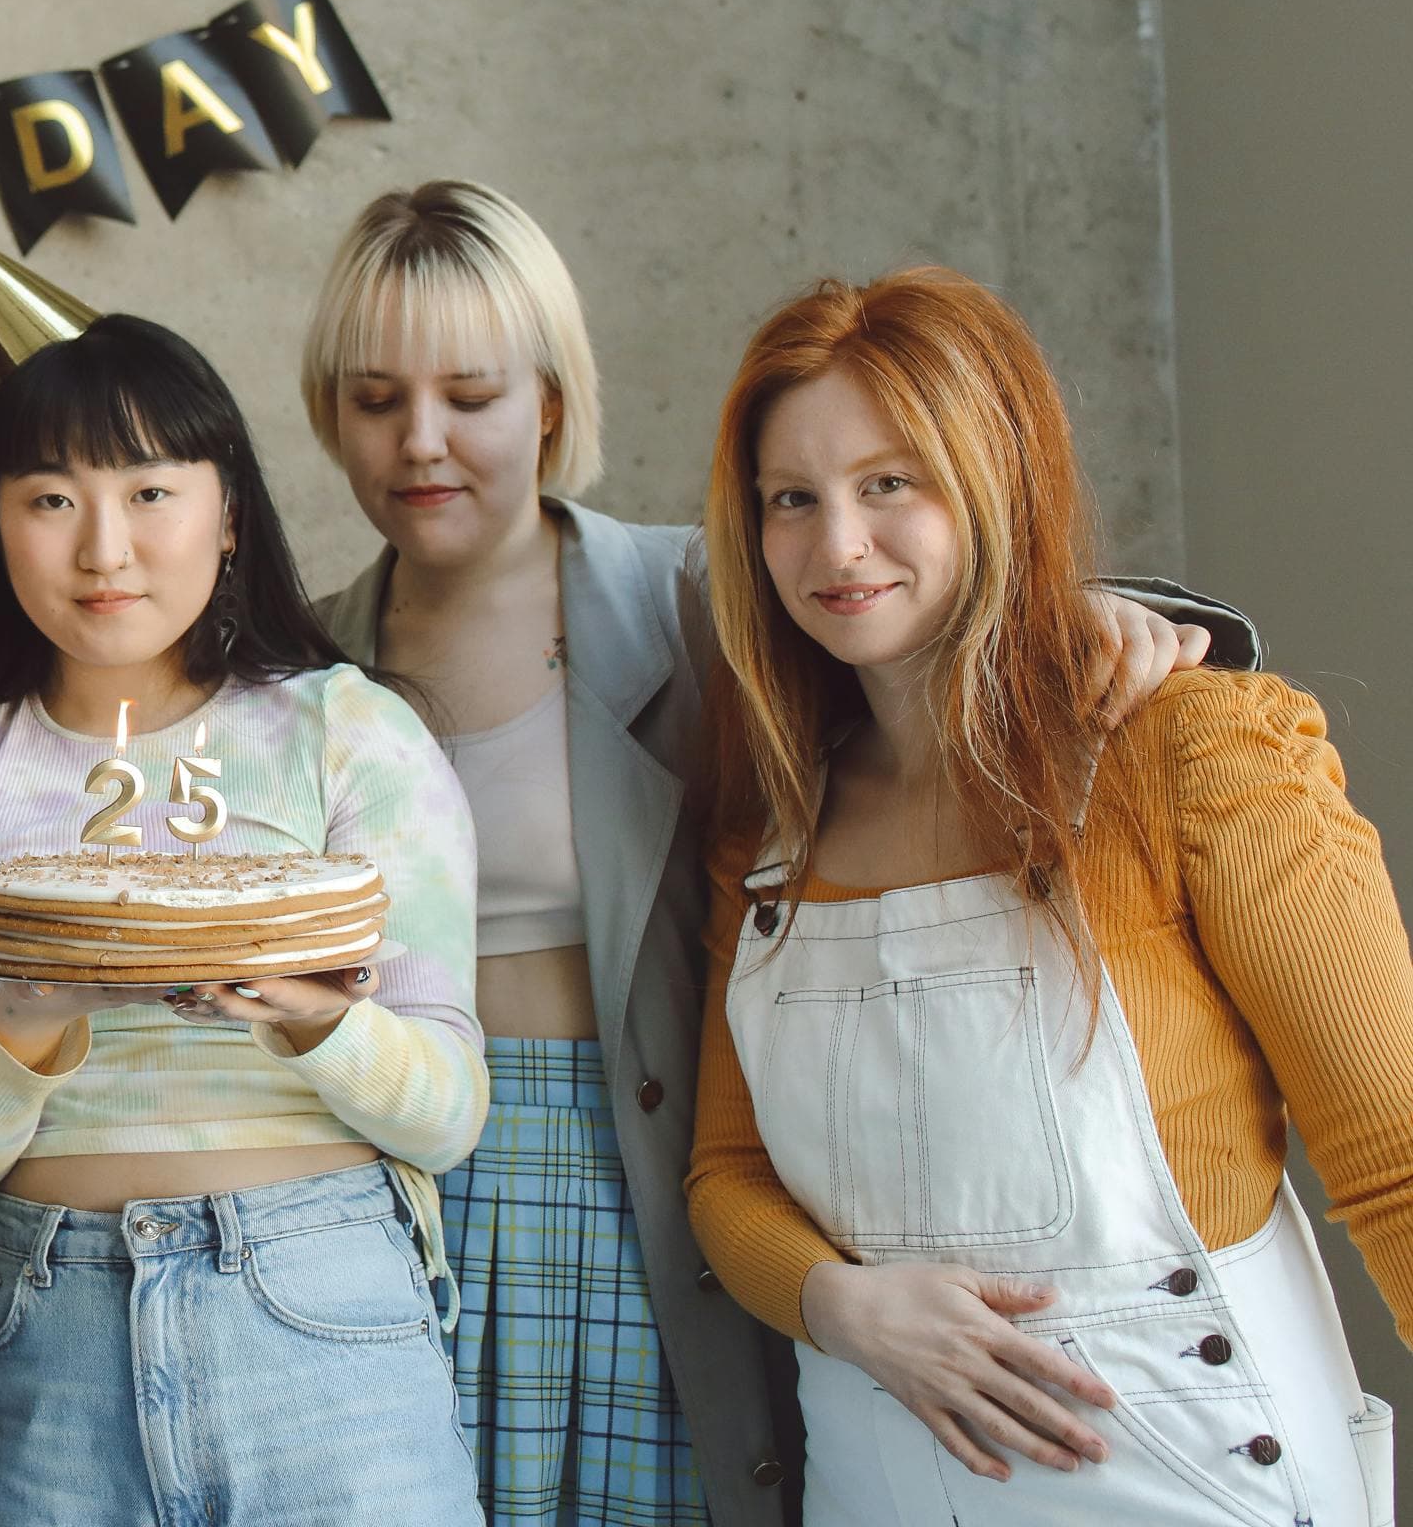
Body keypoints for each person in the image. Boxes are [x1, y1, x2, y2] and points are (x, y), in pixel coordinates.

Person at [299, 182, 1248, 1523]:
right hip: (380, 1194)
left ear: (552, 402)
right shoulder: (296, 665)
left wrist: (1103, 614)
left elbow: (913, 610)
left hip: (641, 1171)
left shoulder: (697, 599)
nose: (422, 441)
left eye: (472, 393)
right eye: (374, 398)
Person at [686, 267, 1410, 1519]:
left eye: (889, 483)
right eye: (790, 499)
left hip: (1189, 1476)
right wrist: (836, 1300)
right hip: (884, 1484)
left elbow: (1395, 1156)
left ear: (994, 476)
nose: (836, 544)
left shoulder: (1186, 751)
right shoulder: (767, 827)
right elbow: (727, 1168)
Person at [0, 305, 490, 1527]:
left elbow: (449, 1107)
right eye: (50, 498)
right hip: (45, 1332)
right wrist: (39, 1002)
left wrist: (304, 1010)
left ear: (229, 511)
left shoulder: (346, 732)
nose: (106, 548)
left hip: (323, 1314)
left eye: (151, 491)